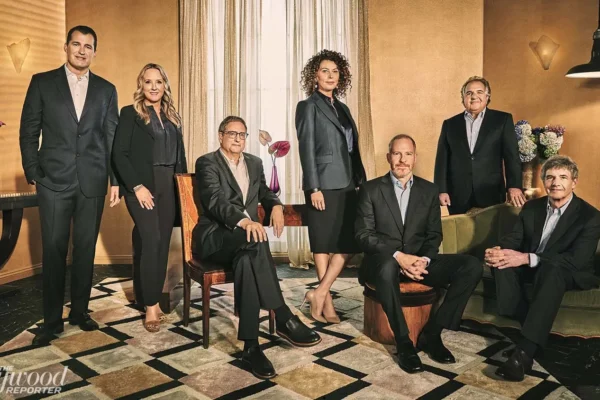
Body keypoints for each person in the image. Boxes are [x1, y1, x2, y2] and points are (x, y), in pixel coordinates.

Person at [193, 116, 321, 379]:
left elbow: (265, 191)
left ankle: (251, 347)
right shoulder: (207, 163)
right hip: (216, 238)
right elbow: (215, 201)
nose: (237, 139)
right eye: (232, 133)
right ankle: (283, 315)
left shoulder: (255, 162)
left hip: (245, 244)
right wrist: (244, 221)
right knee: (255, 238)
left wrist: (276, 206)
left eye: (242, 134)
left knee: (247, 260)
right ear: (220, 136)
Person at [19, 26, 120, 345]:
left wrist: (115, 179)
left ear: (94, 52)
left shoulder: (106, 89)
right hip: (52, 180)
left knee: (86, 249)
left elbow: (112, 138)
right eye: (76, 44)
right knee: (53, 249)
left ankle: (79, 311)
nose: (81, 50)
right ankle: (52, 322)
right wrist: (33, 171)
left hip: (93, 180)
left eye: (88, 46)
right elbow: (28, 129)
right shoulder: (42, 82)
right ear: (66, 47)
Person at [355, 134, 482, 374]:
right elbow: (364, 235)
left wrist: (422, 260)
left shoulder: (429, 190)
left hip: (418, 261)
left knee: (471, 266)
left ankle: (432, 334)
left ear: (415, 158)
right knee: (387, 267)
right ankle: (404, 342)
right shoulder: (370, 189)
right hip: (383, 262)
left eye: (408, 154)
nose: (402, 160)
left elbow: (434, 234)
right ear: (388, 157)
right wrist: (398, 256)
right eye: (397, 154)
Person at [485, 155, 600, 382]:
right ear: (544, 181)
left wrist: (526, 258)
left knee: (552, 270)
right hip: (536, 266)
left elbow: (576, 260)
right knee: (502, 263)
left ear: (574, 182)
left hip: (571, 271)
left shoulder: (590, 216)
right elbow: (515, 239)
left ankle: (524, 353)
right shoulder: (532, 208)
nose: (556, 183)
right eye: (550, 177)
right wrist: (498, 251)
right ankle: (533, 338)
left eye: (563, 177)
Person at [112, 63, 187, 332]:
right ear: (141, 85)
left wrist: (183, 191)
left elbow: (180, 157)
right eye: (148, 82)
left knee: (161, 243)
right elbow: (119, 154)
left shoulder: (173, 117)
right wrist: (137, 186)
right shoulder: (129, 113)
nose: (153, 87)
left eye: (158, 82)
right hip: (143, 185)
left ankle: (148, 295)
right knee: (152, 240)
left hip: (169, 185)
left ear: (165, 85)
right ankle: (151, 305)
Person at [295, 49, 367, 323]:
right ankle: (326, 305)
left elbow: (352, 149)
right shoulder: (308, 106)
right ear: (315, 76)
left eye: (335, 71)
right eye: (325, 70)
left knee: (348, 242)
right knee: (323, 243)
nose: (330, 75)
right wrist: (313, 188)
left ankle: (319, 292)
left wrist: (359, 180)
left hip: (348, 183)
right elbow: (306, 149)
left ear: (341, 77)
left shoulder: (343, 108)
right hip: (323, 184)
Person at [434, 76, 525, 215]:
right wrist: (441, 190)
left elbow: (511, 157)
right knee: (460, 229)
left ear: (487, 96)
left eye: (479, 92)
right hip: (458, 194)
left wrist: (514, 186)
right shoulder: (450, 124)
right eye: (469, 93)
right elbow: (442, 160)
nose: (474, 96)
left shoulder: (502, 120)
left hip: (491, 192)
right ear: (463, 98)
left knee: (492, 229)